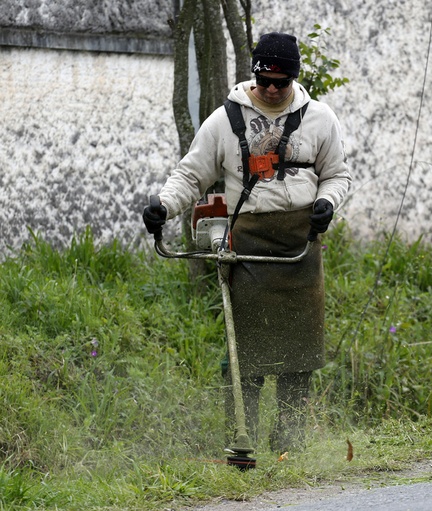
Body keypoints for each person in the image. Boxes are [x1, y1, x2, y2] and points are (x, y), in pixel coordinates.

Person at [142, 32, 351, 452]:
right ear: (254, 75)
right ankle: (241, 442)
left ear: (294, 77)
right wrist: (164, 206)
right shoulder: (224, 121)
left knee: (300, 358)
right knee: (245, 358)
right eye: (265, 80)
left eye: (281, 82)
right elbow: (191, 176)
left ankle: (289, 445)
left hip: (301, 247)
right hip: (247, 248)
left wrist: (327, 203)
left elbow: (337, 175)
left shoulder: (320, 118)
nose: (272, 89)